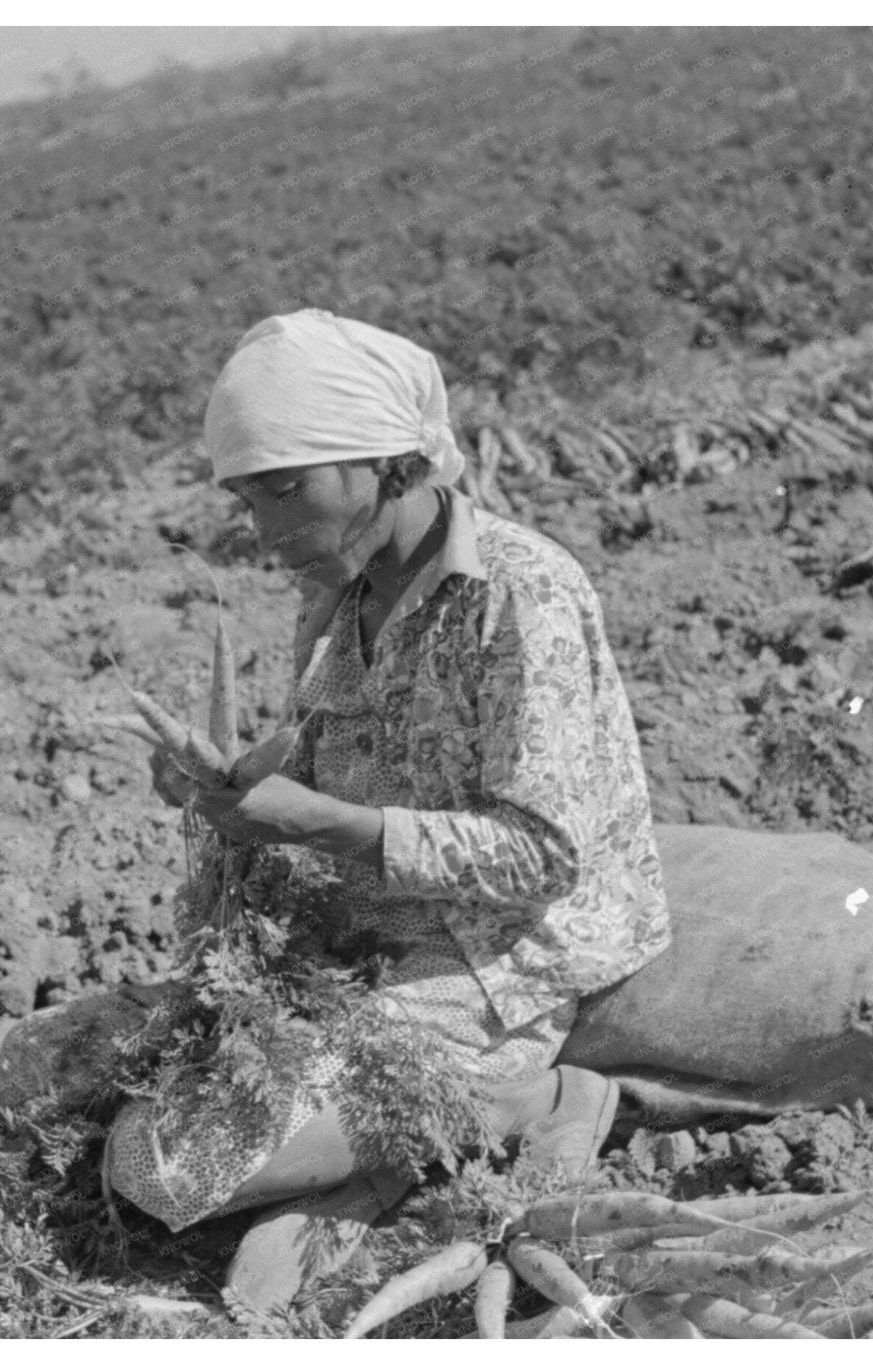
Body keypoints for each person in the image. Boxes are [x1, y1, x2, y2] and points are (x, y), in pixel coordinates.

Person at [115, 309, 672, 1310]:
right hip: (359, 927)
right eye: (248, 501)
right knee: (47, 1067)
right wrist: (231, 798)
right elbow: (325, 781)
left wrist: (312, 823)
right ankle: (372, 1137)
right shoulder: (336, 596)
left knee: (173, 1171)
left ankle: (530, 1100)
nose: (265, 530)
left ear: (388, 462)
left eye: (284, 491)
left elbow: (542, 856)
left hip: (496, 953)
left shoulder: (521, 593)